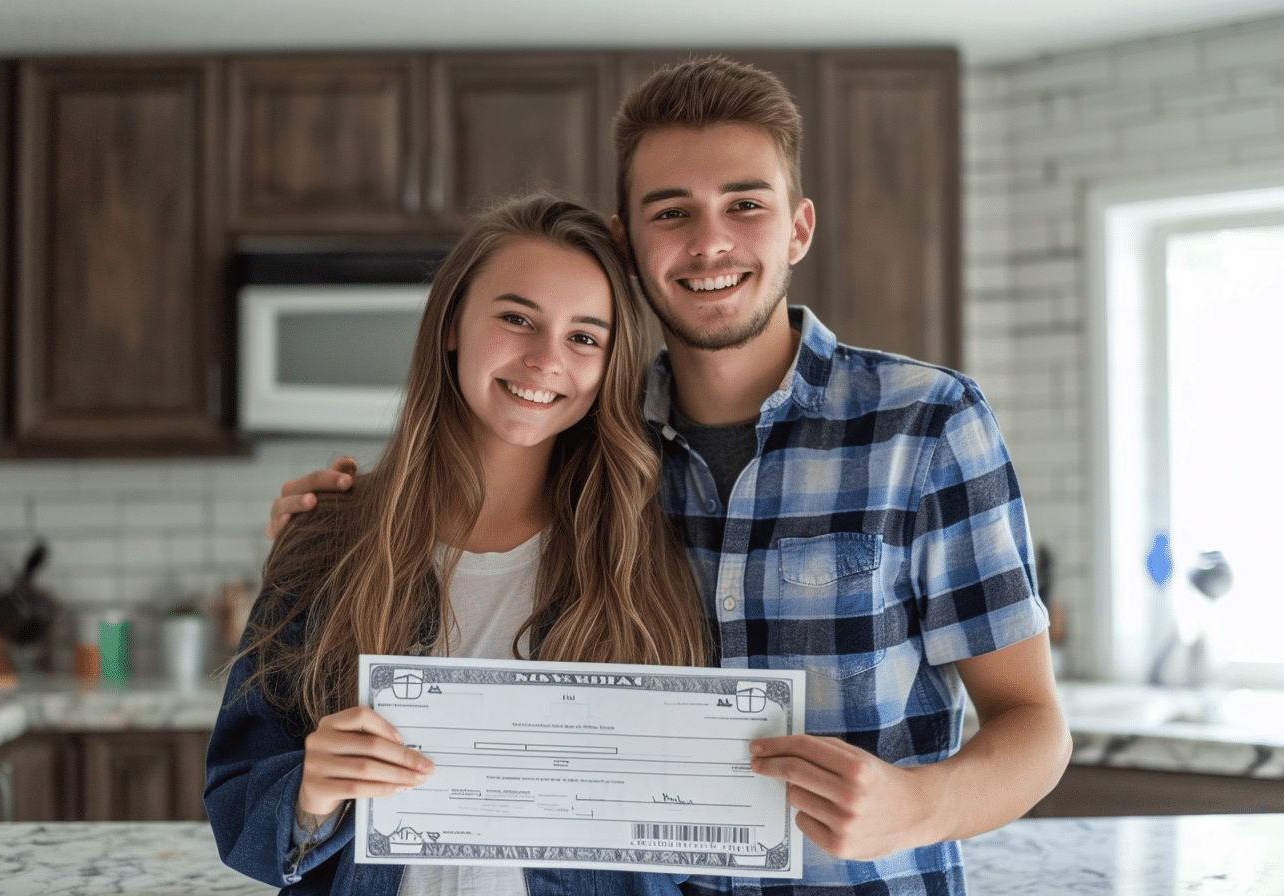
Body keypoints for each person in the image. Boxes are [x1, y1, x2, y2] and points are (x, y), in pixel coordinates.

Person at [270, 56, 1072, 896]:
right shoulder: (595, 442)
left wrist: (920, 805)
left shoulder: (926, 422)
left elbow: (1035, 725)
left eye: (745, 205)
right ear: (627, 241)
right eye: (673, 212)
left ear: (797, 228)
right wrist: (337, 523)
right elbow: (468, 519)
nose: (710, 242)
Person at [207, 193, 709, 896]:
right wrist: (310, 794)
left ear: (608, 367)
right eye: (516, 319)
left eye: (585, 337)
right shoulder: (326, 539)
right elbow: (239, 805)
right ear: (452, 326)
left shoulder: (643, 553)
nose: (545, 360)